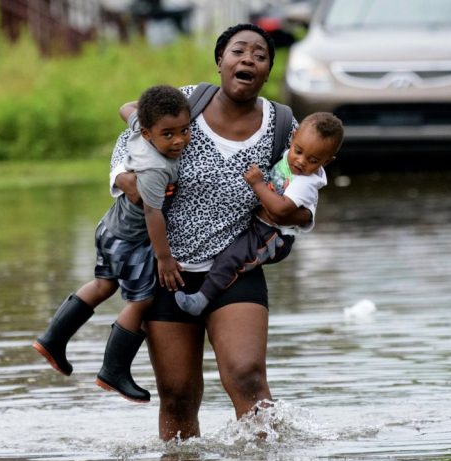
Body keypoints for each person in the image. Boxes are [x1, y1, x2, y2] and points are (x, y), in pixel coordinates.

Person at [111, 23, 310, 440]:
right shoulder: (185, 103)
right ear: (220, 61)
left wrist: (297, 215)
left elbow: (302, 190)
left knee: (247, 377)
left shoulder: (283, 127)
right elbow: (130, 139)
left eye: (260, 55)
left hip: (235, 266)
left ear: (267, 71)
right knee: (178, 394)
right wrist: (125, 180)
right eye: (238, 50)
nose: (248, 59)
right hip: (168, 269)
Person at [33, 84, 190, 403]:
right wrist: (164, 258)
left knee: (104, 285)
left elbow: (125, 107)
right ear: (148, 134)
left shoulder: (139, 127)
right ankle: (114, 370)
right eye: (168, 134)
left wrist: (147, 110)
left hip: (109, 229)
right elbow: (152, 213)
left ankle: (52, 339)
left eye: (184, 130)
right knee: (142, 301)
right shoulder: (155, 168)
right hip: (131, 240)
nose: (179, 141)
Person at [175, 112, 344, 315]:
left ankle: (201, 300)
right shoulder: (287, 157)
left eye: (313, 160)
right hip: (259, 226)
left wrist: (257, 184)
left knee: (232, 258)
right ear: (293, 137)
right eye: (298, 151)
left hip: (272, 236)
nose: (301, 161)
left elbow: (280, 210)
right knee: (227, 251)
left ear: (326, 162)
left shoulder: (305, 182)